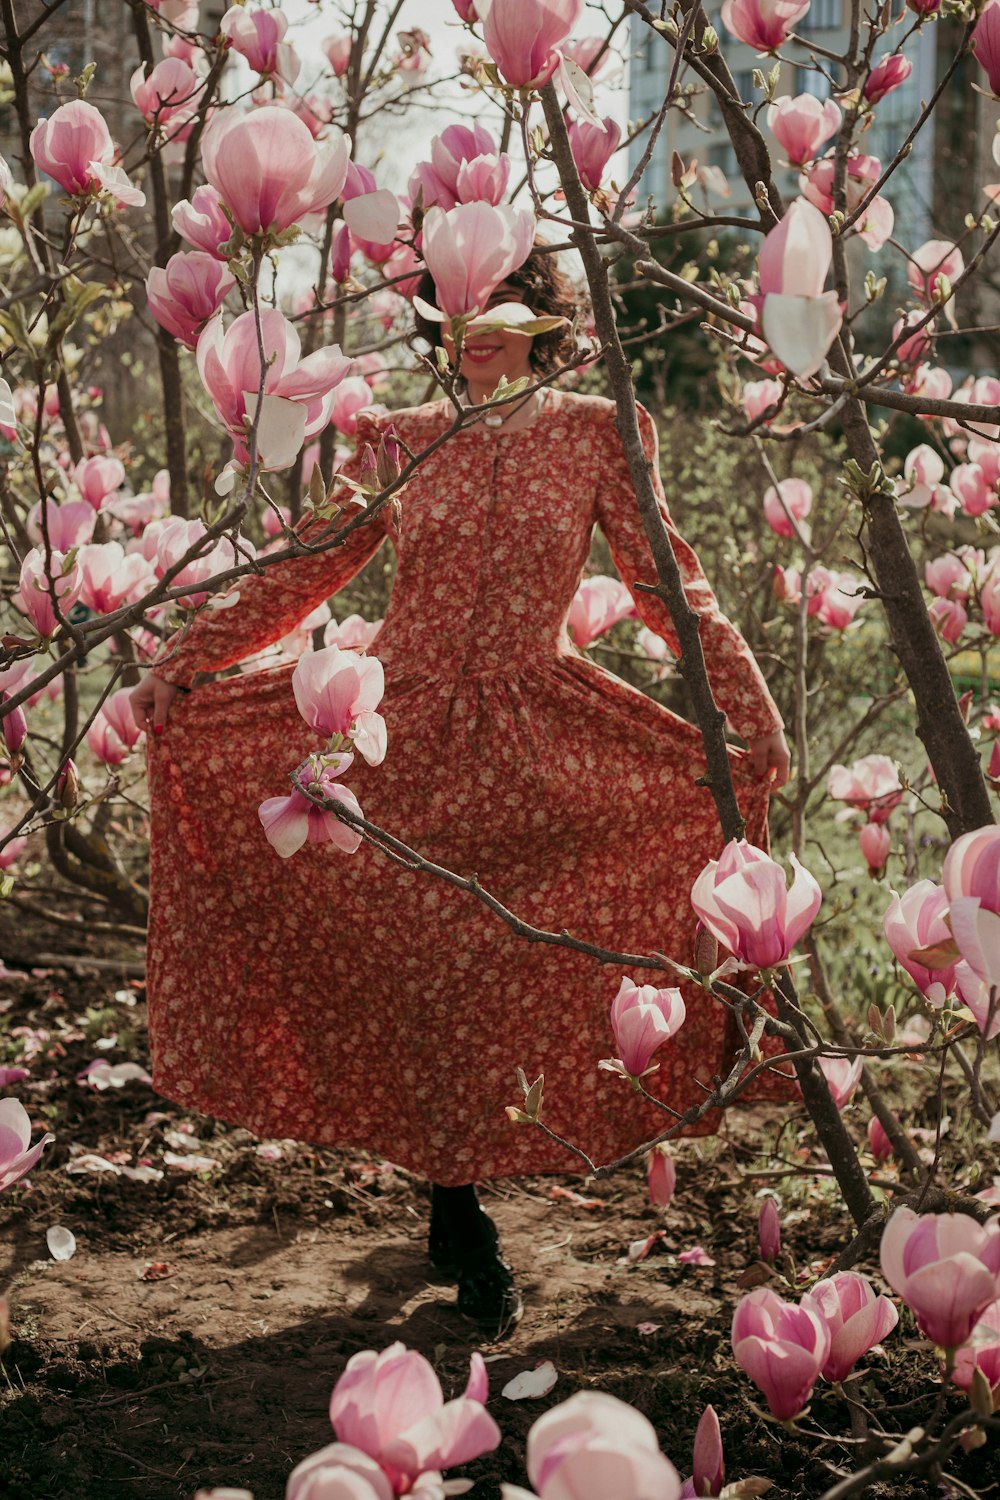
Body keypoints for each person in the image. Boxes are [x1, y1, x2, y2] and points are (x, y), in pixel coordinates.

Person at [130, 246, 790, 1337]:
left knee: (494, 973)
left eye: (502, 303)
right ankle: (457, 1207)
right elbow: (310, 563)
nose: (474, 323)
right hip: (398, 737)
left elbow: (665, 579)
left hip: (539, 749)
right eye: (455, 303)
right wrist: (184, 665)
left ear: (547, 319)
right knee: (424, 972)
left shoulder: (595, 431)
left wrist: (744, 709)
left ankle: (456, 1192)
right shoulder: (396, 437)